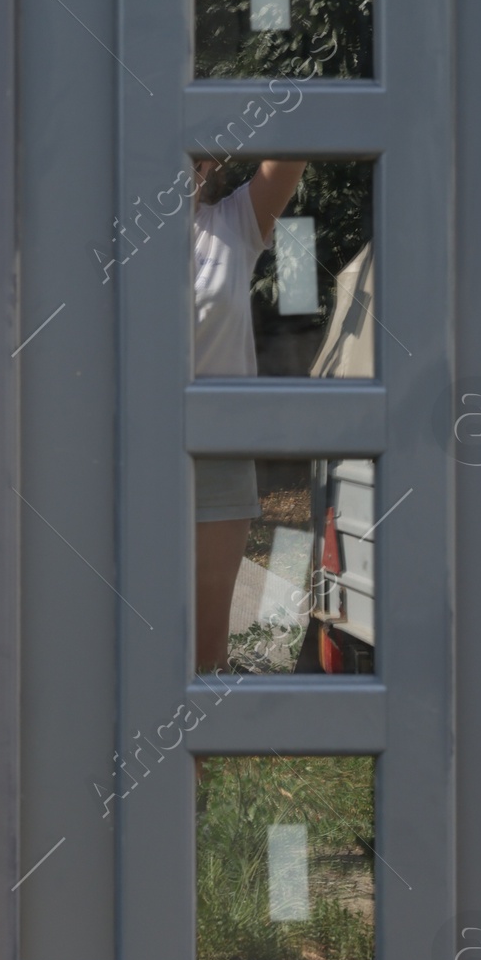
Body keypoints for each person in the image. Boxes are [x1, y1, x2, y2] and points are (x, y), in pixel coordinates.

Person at [192, 153, 307, 670]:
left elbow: (292, 148)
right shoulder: (111, 233)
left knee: (203, 650)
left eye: (194, 155)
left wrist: (220, 107)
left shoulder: (233, 222)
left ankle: (185, 752)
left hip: (217, 453)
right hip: (125, 449)